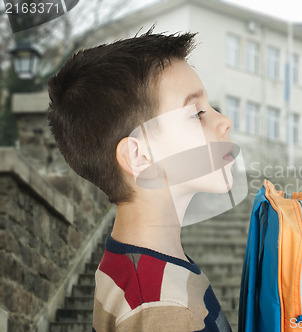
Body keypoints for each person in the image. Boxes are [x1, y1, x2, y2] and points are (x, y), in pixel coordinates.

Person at [47, 29, 236, 331]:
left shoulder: (142, 267)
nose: (224, 121)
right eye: (196, 113)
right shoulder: (163, 309)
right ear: (139, 158)